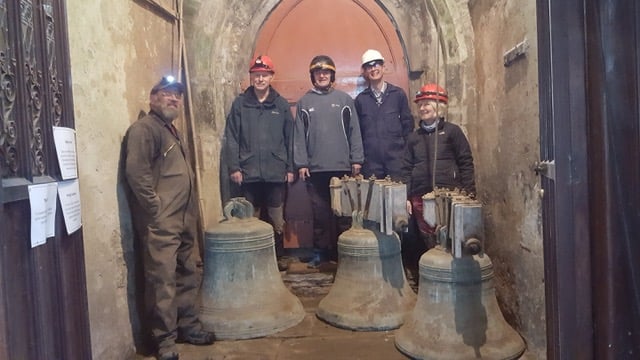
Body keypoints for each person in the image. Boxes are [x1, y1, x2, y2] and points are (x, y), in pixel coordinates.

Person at [125, 76, 214, 360]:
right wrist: (154, 209)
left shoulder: (170, 130)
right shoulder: (144, 130)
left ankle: (188, 325)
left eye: (177, 95)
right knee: (161, 279)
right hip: (162, 221)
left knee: (188, 271)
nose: (173, 99)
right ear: (152, 99)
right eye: (166, 94)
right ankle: (164, 341)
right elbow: (136, 173)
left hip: (183, 218)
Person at [223, 55, 294, 270]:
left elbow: (290, 138)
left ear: (271, 77)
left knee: (276, 216)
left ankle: (278, 256)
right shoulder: (240, 104)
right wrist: (234, 166)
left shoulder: (280, 105)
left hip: (275, 171)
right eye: (256, 75)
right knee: (250, 215)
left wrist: (290, 168)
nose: (260, 79)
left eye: (264, 75)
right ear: (251, 77)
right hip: (248, 171)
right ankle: (252, 255)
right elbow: (232, 137)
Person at [293, 55, 364, 267]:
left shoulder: (344, 100)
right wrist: (301, 163)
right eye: (318, 72)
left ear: (332, 75)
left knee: (344, 214)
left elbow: (355, 131)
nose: (322, 75)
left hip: (342, 168)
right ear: (313, 76)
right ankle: (321, 254)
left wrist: (357, 158)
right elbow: (298, 135)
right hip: (315, 169)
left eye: (325, 72)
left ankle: (345, 253)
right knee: (320, 215)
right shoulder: (305, 102)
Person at [400, 83, 476, 250]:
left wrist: (469, 192)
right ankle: (432, 269)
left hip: (449, 194)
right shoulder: (414, 138)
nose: (422, 108)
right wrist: (405, 196)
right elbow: (406, 168)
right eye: (420, 104)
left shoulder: (452, 132)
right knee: (427, 235)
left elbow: (465, 162)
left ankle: (451, 271)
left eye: (426, 103)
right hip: (420, 195)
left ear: (438, 106)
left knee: (451, 234)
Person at [355, 49, 413, 180]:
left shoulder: (398, 95)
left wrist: (404, 154)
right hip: (371, 164)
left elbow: (408, 126)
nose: (373, 68)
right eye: (369, 66)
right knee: (373, 199)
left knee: (397, 198)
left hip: (396, 162)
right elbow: (357, 133)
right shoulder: (361, 100)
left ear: (383, 67)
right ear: (364, 71)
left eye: (376, 64)